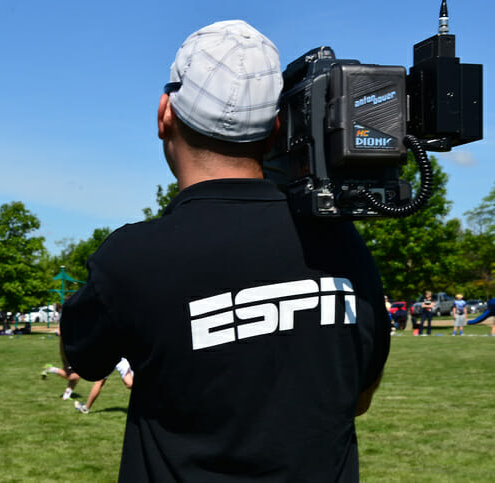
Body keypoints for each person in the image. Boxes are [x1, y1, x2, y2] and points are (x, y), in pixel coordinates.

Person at [60, 20, 390, 481]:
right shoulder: (341, 242)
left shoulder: (131, 258)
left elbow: (82, 359)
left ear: (165, 114)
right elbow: (360, 397)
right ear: (276, 127)